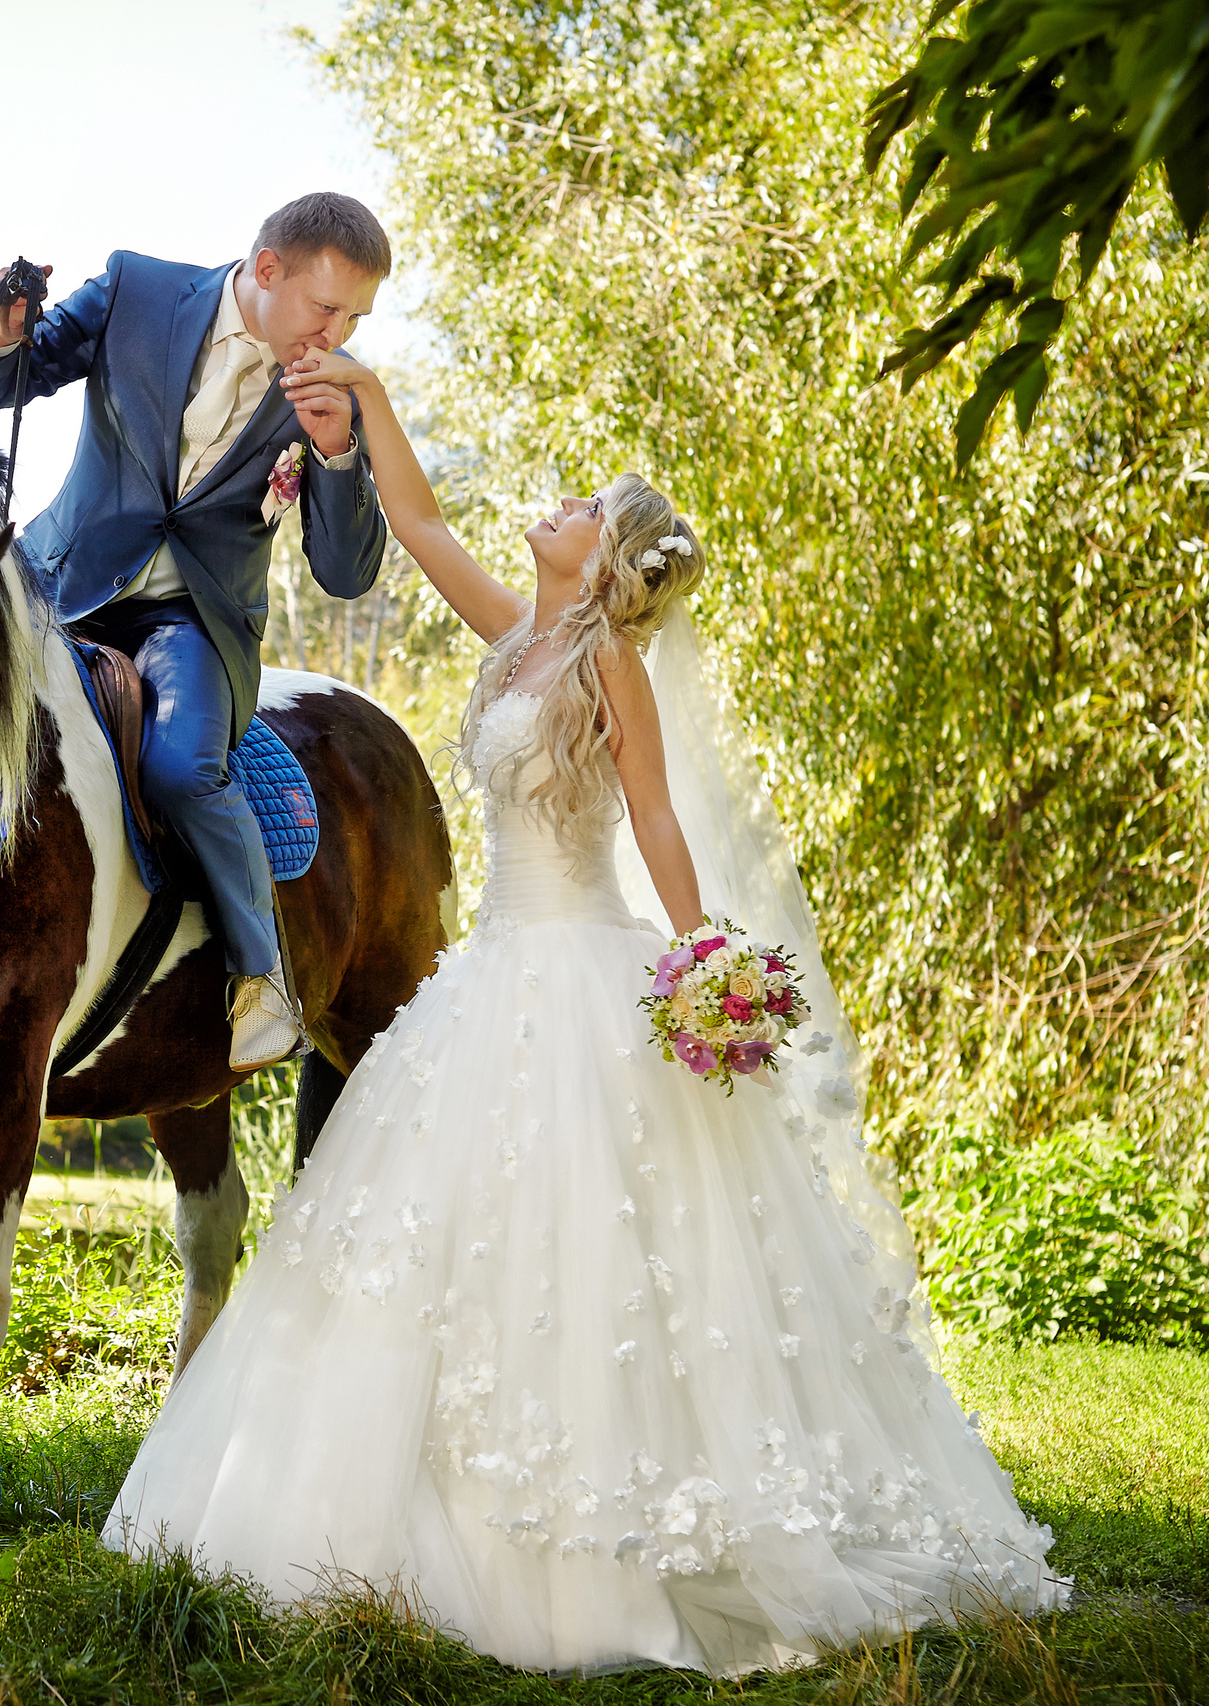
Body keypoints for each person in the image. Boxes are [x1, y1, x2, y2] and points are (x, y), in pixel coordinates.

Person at [99, 354, 1067, 1675]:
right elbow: (422, 525)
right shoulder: (514, 636)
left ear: (604, 553)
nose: (548, 507)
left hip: (584, 960)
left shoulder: (610, 665)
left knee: (603, 1234)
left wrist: (702, 955)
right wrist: (367, 399)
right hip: (490, 970)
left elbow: (658, 814)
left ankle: (609, 1530)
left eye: (575, 506)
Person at [0, 192, 391, 1069]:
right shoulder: (135, 291)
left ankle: (261, 977)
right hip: (58, 583)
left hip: (193, 620)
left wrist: (337, 455)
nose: (338, 334)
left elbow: (345, 574)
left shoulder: (337, 388)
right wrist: (1, 330)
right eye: (328, 308)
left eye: (357, 317)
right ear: (268, 272)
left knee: (182, 768)